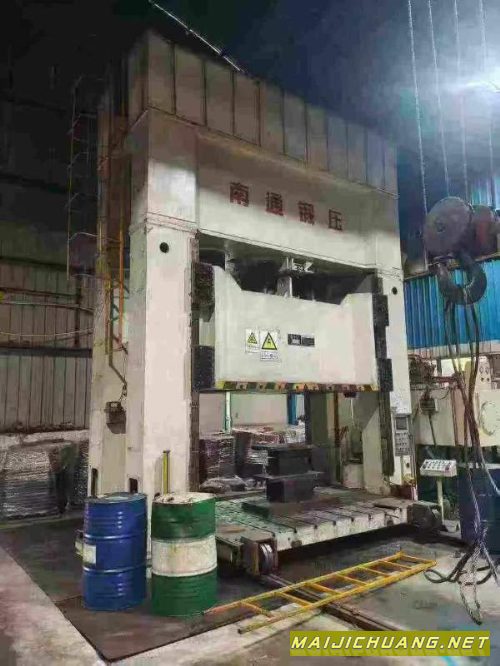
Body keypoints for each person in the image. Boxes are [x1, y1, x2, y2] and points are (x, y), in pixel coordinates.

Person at [48, 443, 78, 515]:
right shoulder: (58, 452)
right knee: (60, 490)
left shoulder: (65, 450)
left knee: (61, 490)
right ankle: (61, 509)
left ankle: (62, 509)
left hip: (60, 471)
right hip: (58, 471)